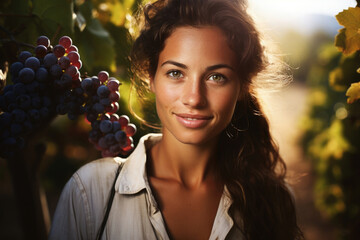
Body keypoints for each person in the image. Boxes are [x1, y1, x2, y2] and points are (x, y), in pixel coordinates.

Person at [49, 0, 303, 239]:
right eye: (175, 73)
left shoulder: (274, 202)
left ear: (243, 87)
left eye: (216, 77)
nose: (194, 98)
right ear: (151, 77)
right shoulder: (90, 192)